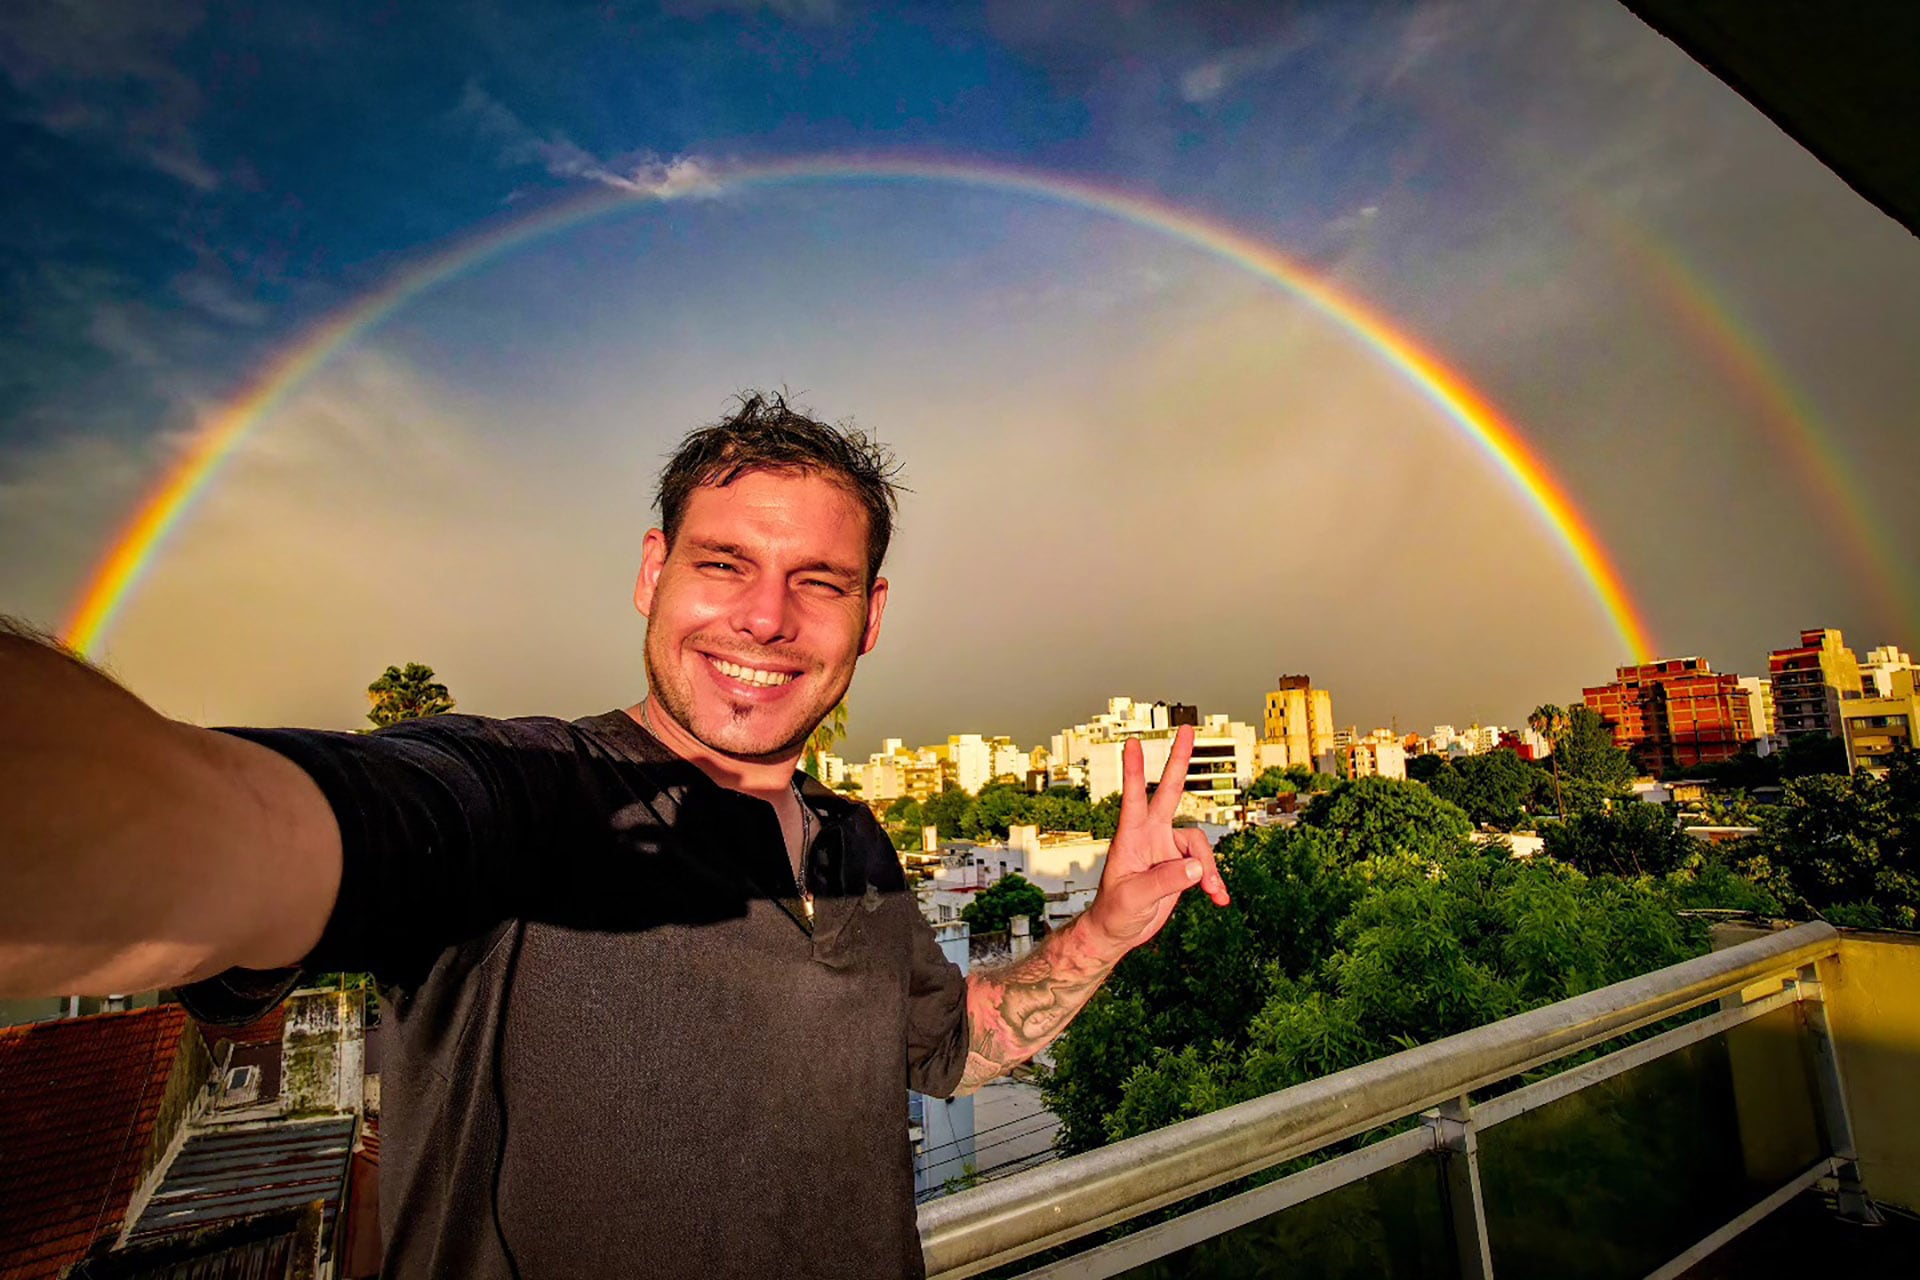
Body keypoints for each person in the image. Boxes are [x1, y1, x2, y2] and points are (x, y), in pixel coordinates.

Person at [0, 391, 1230, 1278]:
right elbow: (231, 824)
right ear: (653, 570)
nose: (766, 615)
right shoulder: (520, 793)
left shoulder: (858, 847)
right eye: (724, 562)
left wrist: (1110, 924)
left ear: (872, 613)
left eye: (821, 580)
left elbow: (954, 1048)